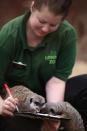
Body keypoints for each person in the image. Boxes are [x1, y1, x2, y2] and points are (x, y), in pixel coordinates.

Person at [0, 0, 86, 131]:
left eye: (53, 24)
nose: (45, 29)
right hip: (12, 100)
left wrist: (54, 113)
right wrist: (1, 105)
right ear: (33, 7)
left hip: (44, 97)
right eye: (41, 21)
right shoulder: (9, 34)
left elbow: (56, 81)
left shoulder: (67, 34)